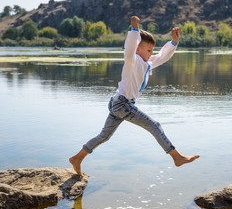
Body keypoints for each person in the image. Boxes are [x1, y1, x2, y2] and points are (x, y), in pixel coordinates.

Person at [69, 16, 199, 176]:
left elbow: (162, 57)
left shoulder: (147, 62)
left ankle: (77, 158)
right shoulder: (132, 60)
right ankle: (177, 157)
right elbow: (129, 49)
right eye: (149, 50)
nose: (152, 54)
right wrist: (134, 30)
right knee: (154, 126)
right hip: (123, 105)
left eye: (152, 51)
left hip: (116, 103)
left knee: (104, 136)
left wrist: (173, 43)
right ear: (138, 49)